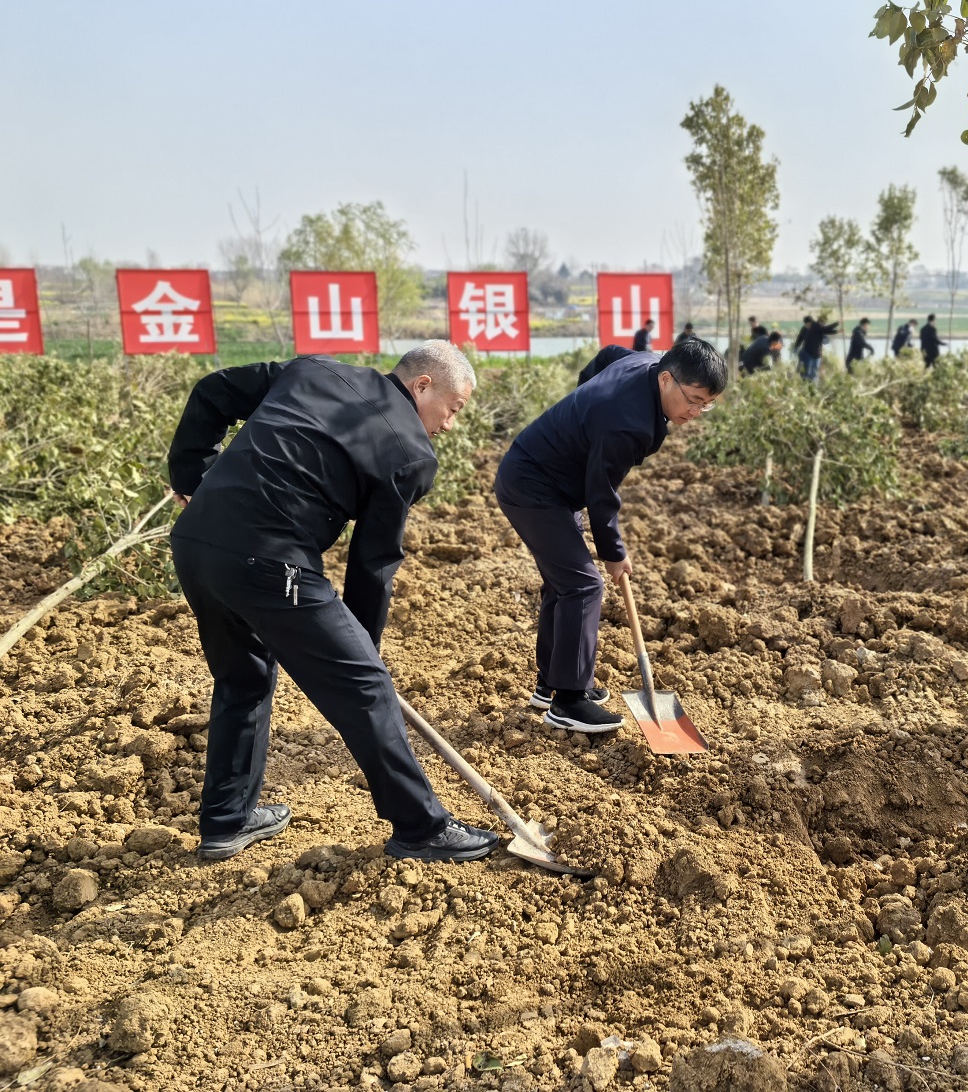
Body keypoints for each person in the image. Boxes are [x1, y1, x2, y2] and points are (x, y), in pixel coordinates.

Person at [167, 342, 499, 864]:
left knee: (243, 678)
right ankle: (420, 829)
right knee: (367, 688)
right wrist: (363, 658)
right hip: (270, 558)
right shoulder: (411, 453)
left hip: (194, 544)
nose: (450, 425)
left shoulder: (314, 370)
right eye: (453, 409)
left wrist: (191, 478)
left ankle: (227, 821)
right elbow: (373, 564)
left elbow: (212, 391)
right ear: (423, 385)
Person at [495, 337, 729, 731]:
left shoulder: (649, 362)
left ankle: (551, 684)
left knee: (563, 583)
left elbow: (608, 354)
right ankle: (569, 701)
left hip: (550, 481)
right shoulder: (625, 423)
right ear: (667, 379)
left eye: (706, 404)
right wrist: (614, 553)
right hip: (533, 485)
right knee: (583, 585)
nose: (695, 412)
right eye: (692, 400)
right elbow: (601, 494)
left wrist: (583, 407)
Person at [795, 315, 839, 381]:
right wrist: (796, 347)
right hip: (807, 352)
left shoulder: (816, 327)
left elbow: (826, 331)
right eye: (805, 324)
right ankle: (805, 381)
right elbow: (800, 338)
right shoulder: (805, 329)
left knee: (813, 372)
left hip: (816, 354)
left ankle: (810, 382)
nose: (806, 326)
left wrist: (837, 329)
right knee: (805, 370)